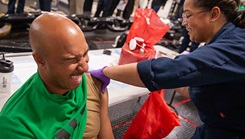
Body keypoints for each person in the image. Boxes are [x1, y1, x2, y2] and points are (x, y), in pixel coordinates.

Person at [89, 0, 245, 138]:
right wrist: (168, 80)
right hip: (216, 126)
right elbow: (193, 81)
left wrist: (105, 71)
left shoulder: (237, 47)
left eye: (187, 16)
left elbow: (170, 70)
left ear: (214, 14)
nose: (184, 23)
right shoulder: (227, 40)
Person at [0, 12, 114, 139]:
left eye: (85, 53)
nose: (85, 67)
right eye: (71, 59)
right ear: (40, 60)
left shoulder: (94, 86)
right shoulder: (15, 124)